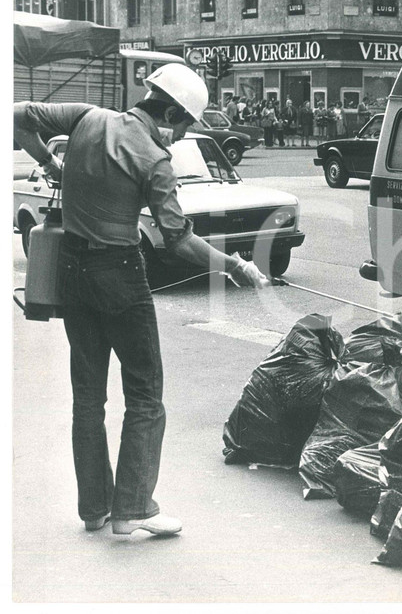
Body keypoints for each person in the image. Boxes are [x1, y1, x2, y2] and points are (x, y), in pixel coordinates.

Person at [12, 63, 269, 537]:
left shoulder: (87, 117)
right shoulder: (154, 159)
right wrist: (234, 266)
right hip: (121, 276)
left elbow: (15, 116)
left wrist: (50, 164)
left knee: (88, 398)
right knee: (146, 395)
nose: (180, 136)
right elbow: (177, 239)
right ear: (170, 113)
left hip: (72, 272)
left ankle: (94, 508)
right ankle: (133, 508)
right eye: (184, 125)